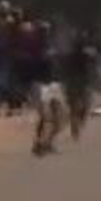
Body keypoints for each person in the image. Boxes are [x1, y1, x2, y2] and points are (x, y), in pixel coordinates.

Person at [28, 24, 66, 157]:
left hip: (53, 84)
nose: (46, 33)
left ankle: (48, 143)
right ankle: (39, 143)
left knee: (61, 117)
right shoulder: (34, 48)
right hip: (40, 84)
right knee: (45, 117)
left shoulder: (52, 46)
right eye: (43, 31)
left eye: (47, 31)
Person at [63, 28, 99, 141]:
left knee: (75, 107)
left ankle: (75, 129)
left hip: (75, 82)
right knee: (84, 106)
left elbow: (64, 71)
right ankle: (77, 127)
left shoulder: (70, 56)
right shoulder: (86, 55)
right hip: (82, 82)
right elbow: (93, 68)